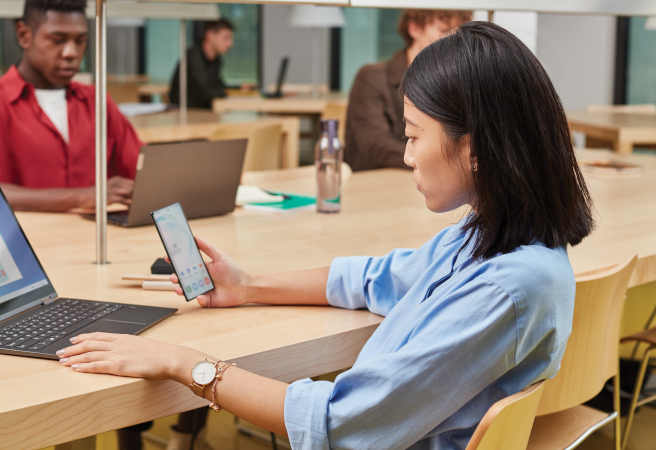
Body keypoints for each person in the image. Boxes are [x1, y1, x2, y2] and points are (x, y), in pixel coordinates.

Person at [56, 22, 596, 449]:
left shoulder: (506, 288)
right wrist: (249, 286)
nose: (406, 156)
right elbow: (376, 278)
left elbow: (338, 426)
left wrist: (185, 365)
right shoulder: (495, 235)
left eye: (413, 136)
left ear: (475, 147)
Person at [0, 0, 142, 212]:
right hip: (30, 240)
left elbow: (142, 169)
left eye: (80, 41)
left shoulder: (96, 100)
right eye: (57, 40)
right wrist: (81, 197)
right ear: (24, 36)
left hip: (98, 237)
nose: (71, 52)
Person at [344, 9, 471, 172]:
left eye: (457, 34)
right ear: (415, 29)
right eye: (445, 31)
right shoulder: (371, 77)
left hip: (428, 184)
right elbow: (376, 148)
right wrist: (443, 161)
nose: (452, 41)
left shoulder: (452, 81)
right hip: (379, 185)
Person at [168, 19, 242, 110]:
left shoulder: (215, 60)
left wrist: (239, 88)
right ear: (210, 35)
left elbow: (218, 87)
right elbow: (207, 92)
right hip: (186, 114)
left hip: (204, 112)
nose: (230, 43)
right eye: (226, 38)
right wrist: (227, 92)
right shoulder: (193, 57)